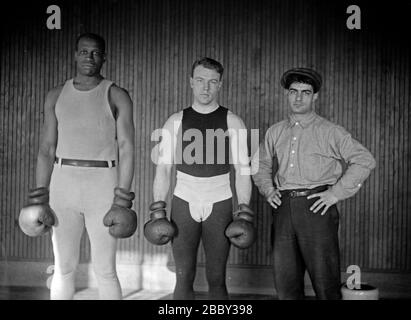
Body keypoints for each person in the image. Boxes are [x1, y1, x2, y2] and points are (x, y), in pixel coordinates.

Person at [18, 33, 136, 300]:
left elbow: (127, 148)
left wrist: (122, 198)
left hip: (103, 185)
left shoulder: (117, 95)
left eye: (95, 53)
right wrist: (40, 195)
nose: (89, 58)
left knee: (105, 269)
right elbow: (46, 149)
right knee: (63, 267)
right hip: (63, 185)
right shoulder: (55, 95)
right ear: (75, 55)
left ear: (104, 57)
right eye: (84, 52)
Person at [251, 67, 376, 300]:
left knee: (325, 283)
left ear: (315, 96)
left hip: (317, 207)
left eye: (305, 92)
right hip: (283, 208)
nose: (298, 98)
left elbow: (364, 160)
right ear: (287, 94)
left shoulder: (330, 131)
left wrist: (336, 193)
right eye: (293, 91)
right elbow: (260, 165)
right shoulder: (275, 131)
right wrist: (268, 190)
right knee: (286, 283)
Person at [144, 57, 255, 300]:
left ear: (220, 85)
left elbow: (243, 170)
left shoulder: (232, 121)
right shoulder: (175, 121)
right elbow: (163, 169)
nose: (206, 88)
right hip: (184, 200)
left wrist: (244, 210)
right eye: (201, 81)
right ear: (191, 82)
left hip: (220, 202)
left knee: (217, 277)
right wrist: (158, 208)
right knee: (183, 276)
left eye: (212, 82)